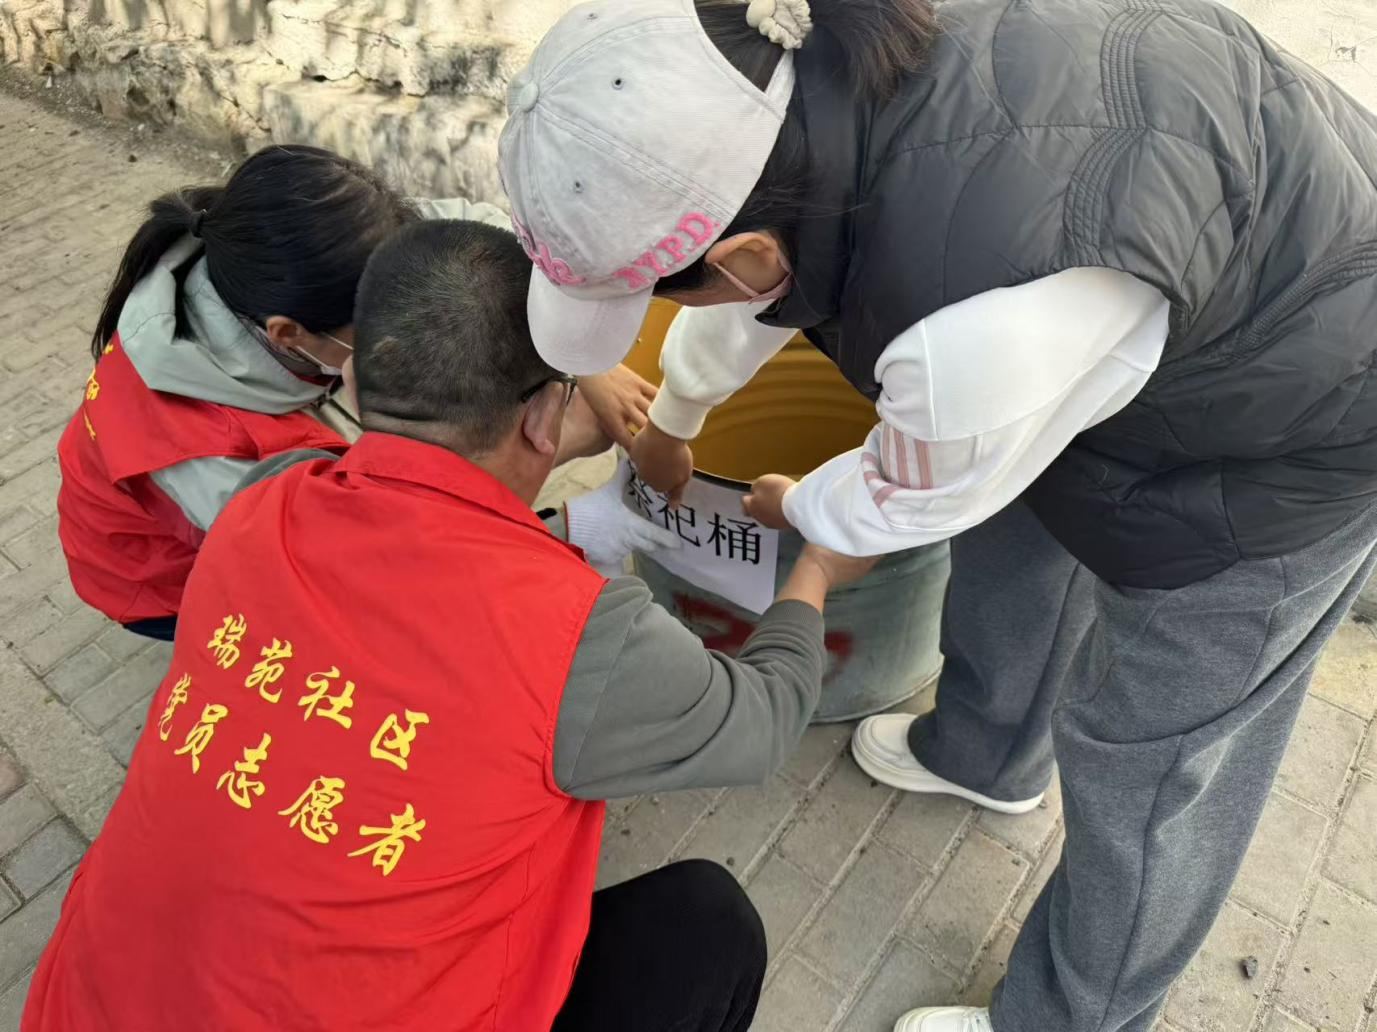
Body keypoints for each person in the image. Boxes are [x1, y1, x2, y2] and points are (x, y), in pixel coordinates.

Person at [495, 2, 1377, 1031]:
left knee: (1153, 758)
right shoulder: (812, 95)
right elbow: (763, 302)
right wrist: (676, 420)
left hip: (1303, 417)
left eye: (661, 291)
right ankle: (987, 755)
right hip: (1154, 287)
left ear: (744, 256)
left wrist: (801, 508)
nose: (669, 308)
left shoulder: (978, 327)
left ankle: (1072, 1016)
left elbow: (908, 492)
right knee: (1018, 542)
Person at [23, 219, 874, 1032]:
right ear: (543, 416)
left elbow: (412, 529)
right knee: (705, 928)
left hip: (84, 1004)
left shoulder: (259, 502)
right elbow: (762, 717)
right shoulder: (577, 632)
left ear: (353, 382)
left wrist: (549, 467)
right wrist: (815, 566)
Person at [56, 145, 656, 641]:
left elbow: (481, 248)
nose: (402, 339)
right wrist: (554, 448)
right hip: (159, 579)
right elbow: (368, 556)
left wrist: (584, 359)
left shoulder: (328, 246)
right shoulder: (208, 451)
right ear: (289, 334)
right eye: (376, 332)